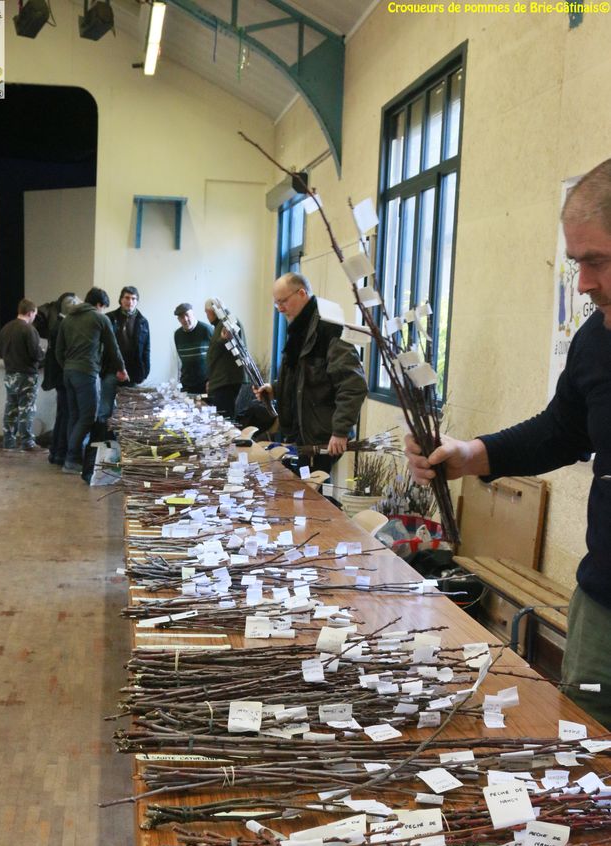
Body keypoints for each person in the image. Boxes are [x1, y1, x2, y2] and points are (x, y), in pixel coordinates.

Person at [405, 158, 611, 729]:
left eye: (596, 261)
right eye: (577, 263)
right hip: (603, 608)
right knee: (586, 733)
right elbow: (561, 431)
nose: (584, 283)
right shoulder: (596, 341)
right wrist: (471, 455)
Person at [255, 273, 368, 473]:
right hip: (298, 435)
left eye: (283, 301)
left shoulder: (329, 329)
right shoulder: (298, 329)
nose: (280, 308)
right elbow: (300, 377)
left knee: (312, 489)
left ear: (301, 293)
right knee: (296, 486)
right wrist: (275, 389)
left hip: (320, 437)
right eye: (276, 303)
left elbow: (353, 384)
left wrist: (340, 431)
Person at [55, 287, 128, 475]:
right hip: (86, 372)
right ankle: (72, 459)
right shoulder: (99, 318)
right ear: (99, 304)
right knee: (88, 417)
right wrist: (121, 369)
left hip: (68, 373)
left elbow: (58, 350)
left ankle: (72, 459)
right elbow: (113, 348)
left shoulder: (68, 319)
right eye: (103, 307)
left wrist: (68, 366)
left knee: (74, 416)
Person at [0, 298, 45, 453]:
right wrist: (45, 355)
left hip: (10, 374)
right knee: (27, 409)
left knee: (10, 409)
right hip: (26, 375)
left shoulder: (5, 329)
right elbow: (36, 354)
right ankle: (27, 443)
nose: (34, 318)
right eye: (34, 315)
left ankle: (8, 442)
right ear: (30, 312)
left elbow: (0, 350)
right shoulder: (29, 330)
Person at [99, 286, 150, 422]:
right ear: (121, 300)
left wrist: (145, 372)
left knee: (129, 412)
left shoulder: (143, 322)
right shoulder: (109, 318)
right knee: (105, 410)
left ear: (137, 301)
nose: (130, 301)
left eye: (133, 299)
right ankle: (102, 434)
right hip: (111, 371)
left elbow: (146, 349)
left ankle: (121, 437)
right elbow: (102, 347)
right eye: (127, 298)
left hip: (132, 373)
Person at [39, 292, 79, 466]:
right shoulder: (64, 326)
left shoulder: (57, 325)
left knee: (62, 414)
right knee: (66, 415)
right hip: (63, 377)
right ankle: (60, 453)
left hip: (59, 377)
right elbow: (62, 355)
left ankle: (55, 452)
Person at [204, 297, 246, 418]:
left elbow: (219, 351)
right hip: (222, 380)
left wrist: (222, 340)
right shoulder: (221, 324)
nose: (207, 316)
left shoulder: (228, 322)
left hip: (226, 381)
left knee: (224, 418)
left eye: (207, 313)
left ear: (212, 311)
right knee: (223, 417)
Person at [173, 302, 212, 395]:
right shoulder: (177, 335)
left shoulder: (207, 330)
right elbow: (181, 359)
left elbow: (217, 358)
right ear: (178, 319)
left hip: (205, 384)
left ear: (193, 314)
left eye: (187, 315)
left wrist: (212, 380)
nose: (185, 319)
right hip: (186, 384)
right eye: (181, 317)